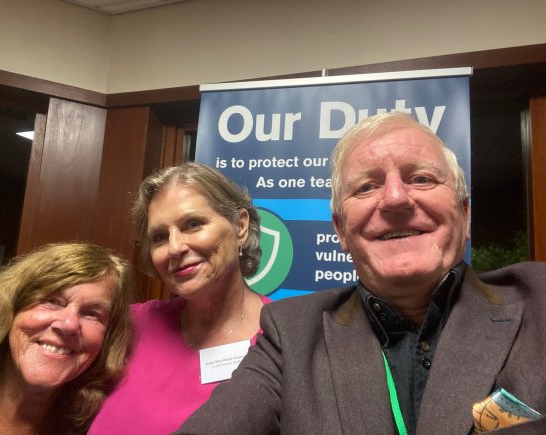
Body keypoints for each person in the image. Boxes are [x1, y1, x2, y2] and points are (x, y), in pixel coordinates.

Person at [176, 112, 546, 434]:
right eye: (366, 187)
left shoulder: (539, 301)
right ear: (340, 231)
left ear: (464, 215)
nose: (396, 199)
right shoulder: (290, 334)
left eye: (421, 179)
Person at [89, 162, 271, 434]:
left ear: (240, 226)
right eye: (160, 237)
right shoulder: (131, 325)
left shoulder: (283, 338)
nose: (174, 248)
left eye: (193, 224)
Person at [0, 242, 133, 435]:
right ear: (9, 310)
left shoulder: (99, 428)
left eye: (91, 314)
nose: (68, 324)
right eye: (52, 301)